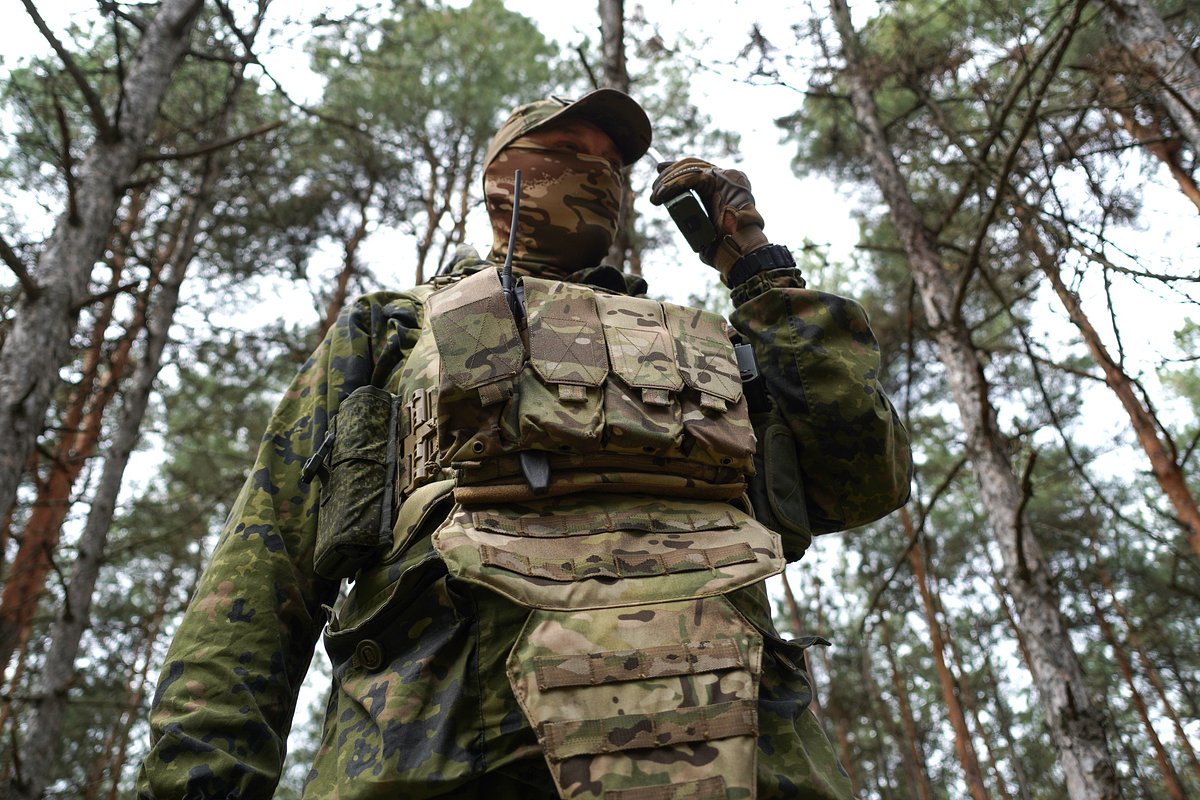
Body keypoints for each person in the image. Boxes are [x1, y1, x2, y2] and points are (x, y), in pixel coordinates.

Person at [136, 89, 911, 800]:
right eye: (570, 153)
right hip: (445, 752)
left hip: (747, 756)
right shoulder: (399, 324)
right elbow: (262, 566)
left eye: (612, 167)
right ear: (502, 175)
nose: (600, 178)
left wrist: (758, 271)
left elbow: (862, 480)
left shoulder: (716, 340)